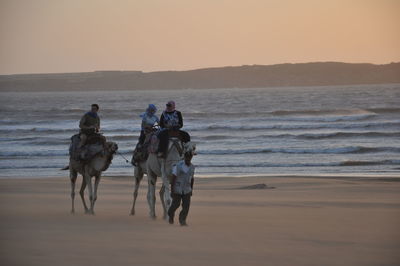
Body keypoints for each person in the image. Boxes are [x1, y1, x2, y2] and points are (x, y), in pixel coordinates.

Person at [168, 152, 195, 226]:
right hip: (177, 189)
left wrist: (191, 189)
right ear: (184, 157)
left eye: (189, 158)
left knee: (186, 206)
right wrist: (172, 191)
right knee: (176, 204)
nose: (188, 159)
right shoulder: (178, 166)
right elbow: (173, 179)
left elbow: (192, 178)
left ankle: (182, 220)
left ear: (191, 158)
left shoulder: (192, 167)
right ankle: (170, 213)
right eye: (187, 158)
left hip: (187, 189)